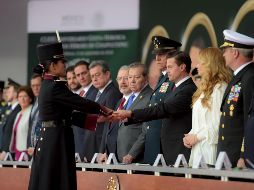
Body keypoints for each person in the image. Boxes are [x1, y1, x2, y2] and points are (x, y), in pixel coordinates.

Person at [28, 42, 111, 190]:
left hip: (54, 138)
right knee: (55, 182)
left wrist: (96, 119)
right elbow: (79, 102)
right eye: (62, 62)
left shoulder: (50, 84)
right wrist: (103, 109)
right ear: (53, 66)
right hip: (55, 141)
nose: (65, 66)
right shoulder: (54, 86)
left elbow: (67, 116)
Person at [112, 51, 196, 165]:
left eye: (170, 67)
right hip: (167, 150)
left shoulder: (187, 89)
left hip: (179, 151)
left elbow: (162, 109)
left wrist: (131, 113)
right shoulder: (175, 89)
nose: (167, 70)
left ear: (182, 67)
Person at [183, 47, 232, 166]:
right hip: (198, 150)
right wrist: (190, 135)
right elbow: (200, 122)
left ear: (211, 64)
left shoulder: (220, 89)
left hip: (210, 152)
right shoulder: (203, 89)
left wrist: (196, 137)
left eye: (201, 62)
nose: (197, 66)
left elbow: (219, 124)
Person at [141, 36, 182, 164]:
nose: (157, 58)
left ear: (173, 54)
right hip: (153, 140)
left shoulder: (174, 79)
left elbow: (166, 107)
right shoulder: (163, 78)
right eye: (156, 55)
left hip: (164, 141)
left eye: (161, 55)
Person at [218, 29, 254, 168]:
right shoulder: (238, 76)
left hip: (237, 156)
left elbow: (249, 119)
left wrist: (244, 155)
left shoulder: (249, 76)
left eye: (225, 50)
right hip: (227, 153)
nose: (223, 54)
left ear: (234, 52)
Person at [117, 63, 152, 164]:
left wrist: (132, 154)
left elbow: (146, 131)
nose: (132, 81)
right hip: (122, 155)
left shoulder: (149, 97)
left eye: (137, 77)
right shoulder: (130, 98)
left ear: (146, 78)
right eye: (130, 77)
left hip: (136, 158)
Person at [97, 65, 132, 163]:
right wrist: (105, 151)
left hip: (126, 156)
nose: (122, 82)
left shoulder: (134, 101)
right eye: (119, 78)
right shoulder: (119, 101)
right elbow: (109, 128)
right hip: (111, 156)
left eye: (126, 78)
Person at [89, 60, 122, 153]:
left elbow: (109, 116)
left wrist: (85, 119)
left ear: (107, 74)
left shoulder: (112, 92)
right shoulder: (97, 92)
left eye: (97, 75)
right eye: (92, 76)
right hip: (94, 143)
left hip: (103, 143)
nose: (94, 79)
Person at [73, 60, 98, 161]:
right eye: (78, 75)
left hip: (91, 148)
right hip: (78, 147)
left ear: (90, 72)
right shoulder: (79, 94)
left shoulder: (97, 91)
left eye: (84, 73)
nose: (81, 77)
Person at [9, 86, 34, 160]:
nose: (22, 99)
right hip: (17, 150)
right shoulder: (18, 113)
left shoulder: (32, 111)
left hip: (27, 151)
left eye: (25, 96)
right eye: (20, 96)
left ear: (30, 98)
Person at [0, 78, 21, 160]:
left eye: (9, 92)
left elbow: (12, 132)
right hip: (3, 151)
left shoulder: (18, 109)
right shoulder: (9, 109)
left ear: (15, 94)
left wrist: (5, 150)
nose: (6, 94)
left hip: (9, 152)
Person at [27, 74, 42, 157]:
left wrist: (38, 147)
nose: (35, 88)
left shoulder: (47, 102)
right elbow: (32, 127)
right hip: (33, 150)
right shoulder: (34, 103)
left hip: (42, 149)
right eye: (33, 86)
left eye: (38, 85)